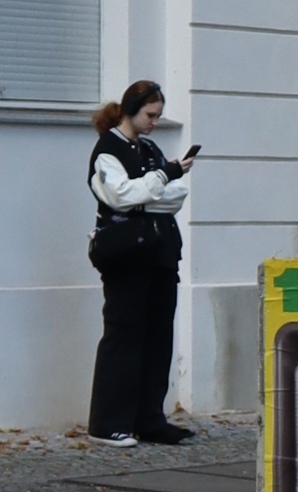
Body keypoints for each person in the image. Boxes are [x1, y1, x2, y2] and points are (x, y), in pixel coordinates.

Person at [86, 81, 195, 446]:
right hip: (126, 256)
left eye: (159, 116)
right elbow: (118, 196)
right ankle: (106, 423)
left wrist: (146, 193)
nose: (155, 122)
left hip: (160, 253)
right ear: (130, 110)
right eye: (150, 115)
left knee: (158, 337)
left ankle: (149, 418)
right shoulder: (107, 152)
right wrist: (160, 179)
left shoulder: (147, 148)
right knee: (123, 335)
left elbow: (175, 196)